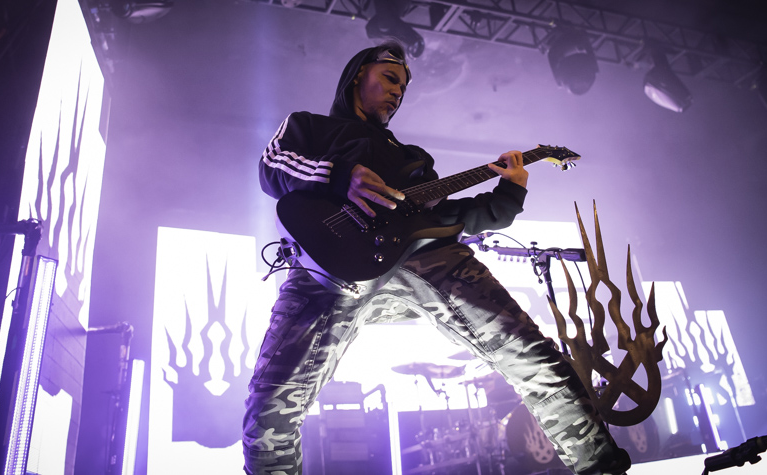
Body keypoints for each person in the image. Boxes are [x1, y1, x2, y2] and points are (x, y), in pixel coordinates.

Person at [244, 41, 631, 475]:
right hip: (328, 265)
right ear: (357, 75)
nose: (398, 92)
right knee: (270, 410)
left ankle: (601, 468)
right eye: (390, 78)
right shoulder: (309, 126)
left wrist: (511, 190)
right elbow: (272, 166)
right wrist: (340, 176)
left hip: (426, 257)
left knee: (532, 358)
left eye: (403, 88)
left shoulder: (414, 160)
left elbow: (451, 217)